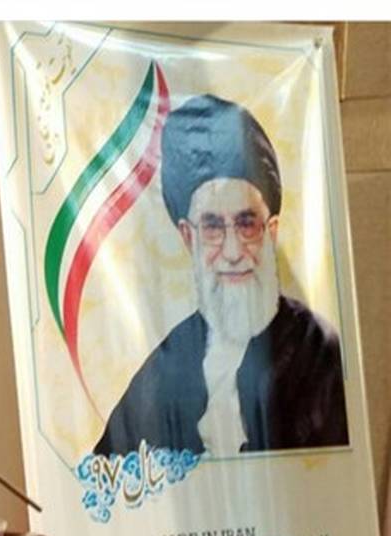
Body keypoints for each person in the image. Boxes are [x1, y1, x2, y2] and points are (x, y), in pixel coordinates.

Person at [95, 94, 348, 458]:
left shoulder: (318, 352)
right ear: (188, 237)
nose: (232, 252)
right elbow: (109, 471)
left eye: (247, 224)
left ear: (271, 231)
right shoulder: (168, 362)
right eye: (212, 227)